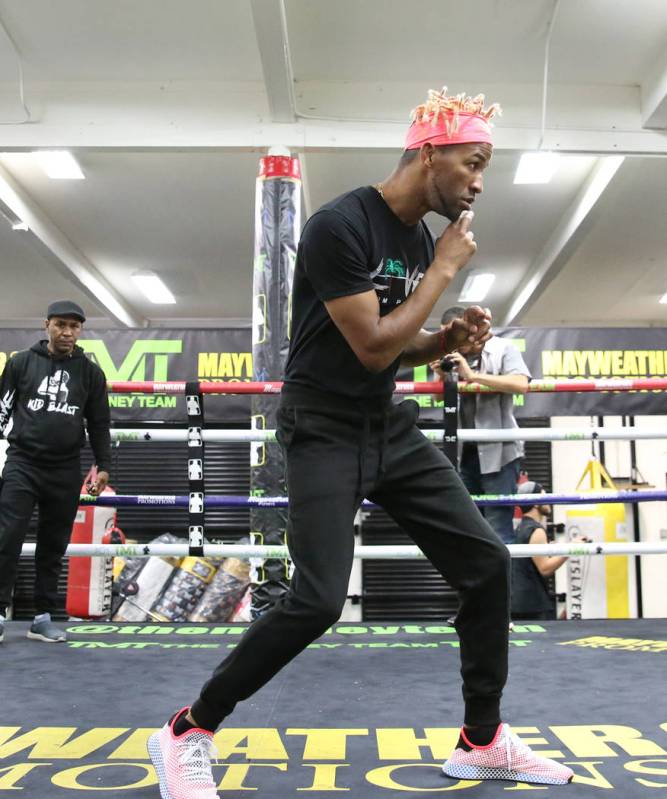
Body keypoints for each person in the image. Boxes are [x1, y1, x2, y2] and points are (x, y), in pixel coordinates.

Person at [147, 88, 573, 792]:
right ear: (429, 153)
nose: (478, 181)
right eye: (472, 162)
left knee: (485, 563)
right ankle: (188, 727)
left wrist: (443, 337)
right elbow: (371, 346)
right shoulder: (337, 225)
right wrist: (442, 271)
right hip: (321, 427)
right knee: (314, 599)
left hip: (386, 424)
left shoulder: (412, 238)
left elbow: (393, 350)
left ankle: (481, 737)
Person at [0, 300, 112, 647]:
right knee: (9, 537)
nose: (67, 332)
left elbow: (99, 423)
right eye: (61, 325)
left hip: (65, 468)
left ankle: (42, 617)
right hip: (23, 463)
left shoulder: (90, 372)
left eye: (74, 327)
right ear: (46, 325)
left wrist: (104, 465)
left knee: (53, 544)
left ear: (81, 331)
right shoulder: (21, 362)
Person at [431, 307, 531, 544]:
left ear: (470, 330)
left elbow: (520, 384)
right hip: (466, 453)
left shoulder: (503, 348)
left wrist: (473, 376)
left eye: (454, 335)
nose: (451, 342)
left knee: (499, 528)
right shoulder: (452, 355)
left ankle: (504, 582)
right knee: (469, 527)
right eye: (447, 337)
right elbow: (437, 401)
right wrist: (441, 377)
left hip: (501, 454)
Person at [511, 481, 585, 621]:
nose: (549, 501)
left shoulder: (522, 527)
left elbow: (528, 563)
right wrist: (570, 549)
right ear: (536, 502)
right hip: (532, 605)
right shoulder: (536, 530)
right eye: (545, 497)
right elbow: (545, 569)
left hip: (520, 602)